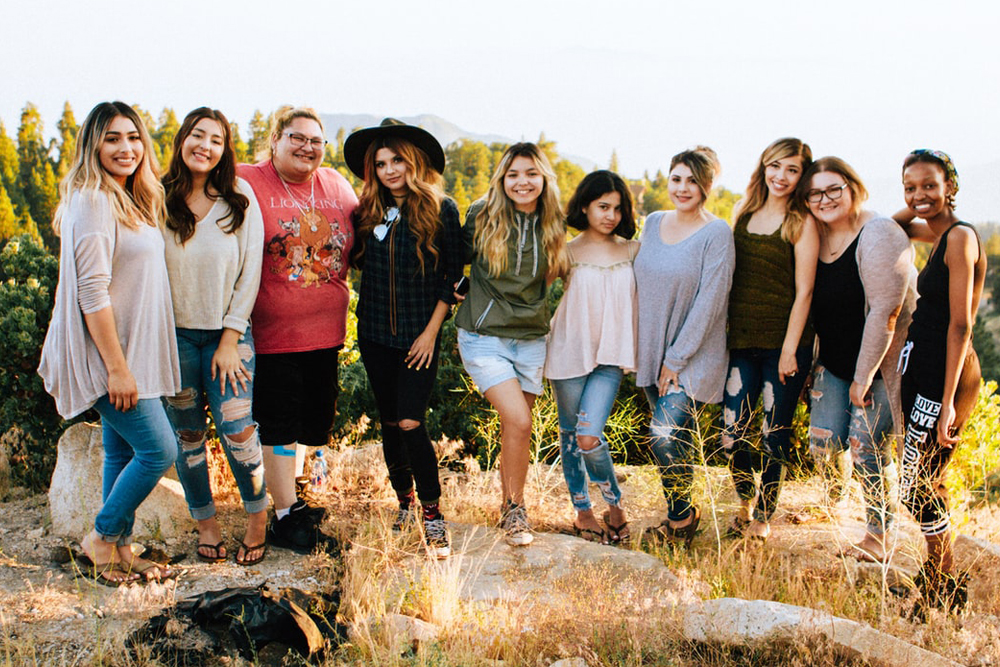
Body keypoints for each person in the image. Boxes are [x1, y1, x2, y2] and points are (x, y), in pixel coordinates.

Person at [38, 101, 181, 584]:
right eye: (113, 138)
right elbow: (91, 292)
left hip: (131, 351)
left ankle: (118, 549)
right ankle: (100, 536)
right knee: (159, 450)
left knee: (120, 452)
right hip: (109, 356)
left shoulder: (126, 197)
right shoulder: (94, 199)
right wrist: (117, 368)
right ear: (93, 145)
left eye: (133, 137)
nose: (126, 148)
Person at [237, 106, 357, 553]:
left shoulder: (336, 185)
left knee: (311, 421)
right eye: (297, 137)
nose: (307, 147)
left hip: (327, 332)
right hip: (274, 334)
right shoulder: (247, 179)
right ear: (275, 139)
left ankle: (296, 500)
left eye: (316, 141)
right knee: (280, 424)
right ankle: (285, 516)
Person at [344, 119, 462, 559]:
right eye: (381, 164)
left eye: (397, 160)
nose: (390, 170)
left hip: (419, 338)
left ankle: (432, 513)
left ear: (413, 162)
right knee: (391, 422)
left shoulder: (441, 209)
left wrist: (431, 333)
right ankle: (404, 502)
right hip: (374, 335)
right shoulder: (365, 212)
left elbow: (453, 278)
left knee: (412, 421)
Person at [161, 107, 267, 566]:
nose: (205, 146)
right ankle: (206, 523)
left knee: (238, 431)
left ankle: (257, 518)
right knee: (187, 436)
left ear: (225, 150)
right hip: (173, 340)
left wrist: (228, 340)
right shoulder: (157, 198)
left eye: (216, 140)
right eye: (197, 135)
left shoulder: (239, 198)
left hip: (229, 336)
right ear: (182, 140)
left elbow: (250, 274)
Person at [800, 156, 916, 563]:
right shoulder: (815, 234)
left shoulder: (878, 232)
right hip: (833, 360)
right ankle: (835, 502)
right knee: (824, 441)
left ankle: (879, 535)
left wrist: (863, 376)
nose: (825, 199)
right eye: (814, 193)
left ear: (853, 187)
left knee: (866, 445)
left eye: (834, 189)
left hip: (880, 365)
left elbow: (886, 311)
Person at [456, 142, 569, 546]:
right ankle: (517, 510)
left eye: (531, 173)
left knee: (515, 428)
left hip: (531, 338)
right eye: (513, 174)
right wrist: (456, 289)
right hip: (484, 336)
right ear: (502, 178)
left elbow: (555, 276)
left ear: (544, 178)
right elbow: (454, 259)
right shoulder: (482, 214)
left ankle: (510, 508)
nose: (522, 182)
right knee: (521, 421)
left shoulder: (554, 221)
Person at [892, 149, 985, 611]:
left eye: (930, 184)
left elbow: (961, 325)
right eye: (910, 187)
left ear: (951, 185)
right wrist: (919, 204)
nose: (919, 195)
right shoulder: (939, 232)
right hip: (923, 367)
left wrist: (947, 400)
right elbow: (892, 227)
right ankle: (938, 574)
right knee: (919, 477)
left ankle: (942, 580)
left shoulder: (960, 237)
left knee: (919, 481)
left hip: (943, 374)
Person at [634, 147, 735, 545]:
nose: (682, 188)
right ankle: (682, 518)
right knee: (675, 441)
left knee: (663, 434)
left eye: (693, 180)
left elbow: (711, 302)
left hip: (693, 355)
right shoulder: (653, 222)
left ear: (707, 186)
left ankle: (681, 518)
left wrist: (676, 359)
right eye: (676, 178)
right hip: (652, 352)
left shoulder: (717, 233)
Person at [722, 138, 818, 541]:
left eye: (792, 169)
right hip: (741, 341)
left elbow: (805, 292)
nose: (781, 176)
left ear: (802, 176)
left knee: (773, 432)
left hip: (784, 344)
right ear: (763, 167)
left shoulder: (802, 222)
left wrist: (790, 350)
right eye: (775, 166)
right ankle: (745, 499)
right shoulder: (742, 212)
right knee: (732, 432)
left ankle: (763, 515)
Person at [544, 170, 637, 545]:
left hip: (610, 358)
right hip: (568, 352)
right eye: (603, 206)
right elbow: (529, 294)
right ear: (585, 206)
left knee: (588, 436)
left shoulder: (633, 250)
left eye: (617, 208)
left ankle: (614, 504)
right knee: (571, 436)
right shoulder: (565, 251)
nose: (611, 215)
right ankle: (582, 511)